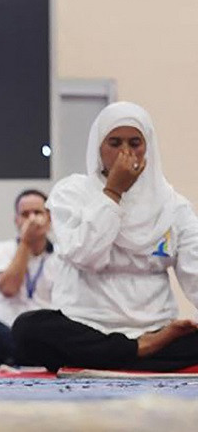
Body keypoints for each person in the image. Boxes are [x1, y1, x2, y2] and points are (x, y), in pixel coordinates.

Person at [13, 102, 198, 372]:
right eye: (114, 143)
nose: (125, 152)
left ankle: (123, 353)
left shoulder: (173, 206)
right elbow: (86, 256)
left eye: (135, 143)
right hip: (85, 325)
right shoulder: (71, 193)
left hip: (156, 326)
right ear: (99, 147)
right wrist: (113, 192)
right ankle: (140, 351)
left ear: (148, 147)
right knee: (27, 330)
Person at [0, 189, 57, 366]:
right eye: (25, 214)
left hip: (44, 335)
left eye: (38, 213)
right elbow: (9, 289)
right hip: (9, 332)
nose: (32, 219)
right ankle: (35, 361)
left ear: (49, 218)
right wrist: (26, 243)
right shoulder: (2, 250)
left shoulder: (61, 256)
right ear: (16, 220)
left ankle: (27, 360)